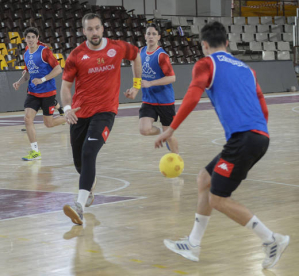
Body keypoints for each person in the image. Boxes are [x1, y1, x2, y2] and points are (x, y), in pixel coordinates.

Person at [155, 21, 290, 269]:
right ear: (227, 43)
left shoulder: (206, 63)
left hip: (244, 138)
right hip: (259, 136)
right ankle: (193, 244)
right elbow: (262, 106)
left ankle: (271, 240)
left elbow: (193, 95)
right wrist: (259, 134)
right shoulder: (247, 69)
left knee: (218, 199)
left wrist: (171, 129)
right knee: (204, 179)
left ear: (204, 45)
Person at [61, 13, 142, 225]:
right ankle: (90, 186)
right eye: (90, 29)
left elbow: (136, 55)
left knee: (89, 152)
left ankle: (78, 206)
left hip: (105, 112)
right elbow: (65, 87)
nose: (94, 32)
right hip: (79, 114)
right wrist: (67, 108)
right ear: (84, 31)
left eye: (97, 28)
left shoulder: (117, 47)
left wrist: (136, 85)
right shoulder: (76, 55)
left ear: (103, 28)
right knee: (80, 162)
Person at [12, 27, 66, 161]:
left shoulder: (44, 52)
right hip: (33, 92)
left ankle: (70, 117)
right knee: (27, 119)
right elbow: (28, 73)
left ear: (37, 38)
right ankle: (35, 152)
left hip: (47, 92)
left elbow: (58, 69)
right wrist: (19, 82)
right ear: (25, 39)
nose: (30, 39)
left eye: (32, 37)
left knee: (49, 124)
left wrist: (42, 79)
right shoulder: (25, 53)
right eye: (28, 37)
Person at [139, 23, 178, 153]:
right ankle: (163, 133)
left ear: (159, 37)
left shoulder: (162, 56)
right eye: (149, 33)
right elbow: (139, 72)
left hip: (165, 101)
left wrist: (151, 83)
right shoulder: (141, 52)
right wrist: (134, 88)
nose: (151, 36)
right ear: (145, 36)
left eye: (154, 34)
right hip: (149, 100)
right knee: (144, 130)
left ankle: (178, 160)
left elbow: (172, 78)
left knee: (170, 136)